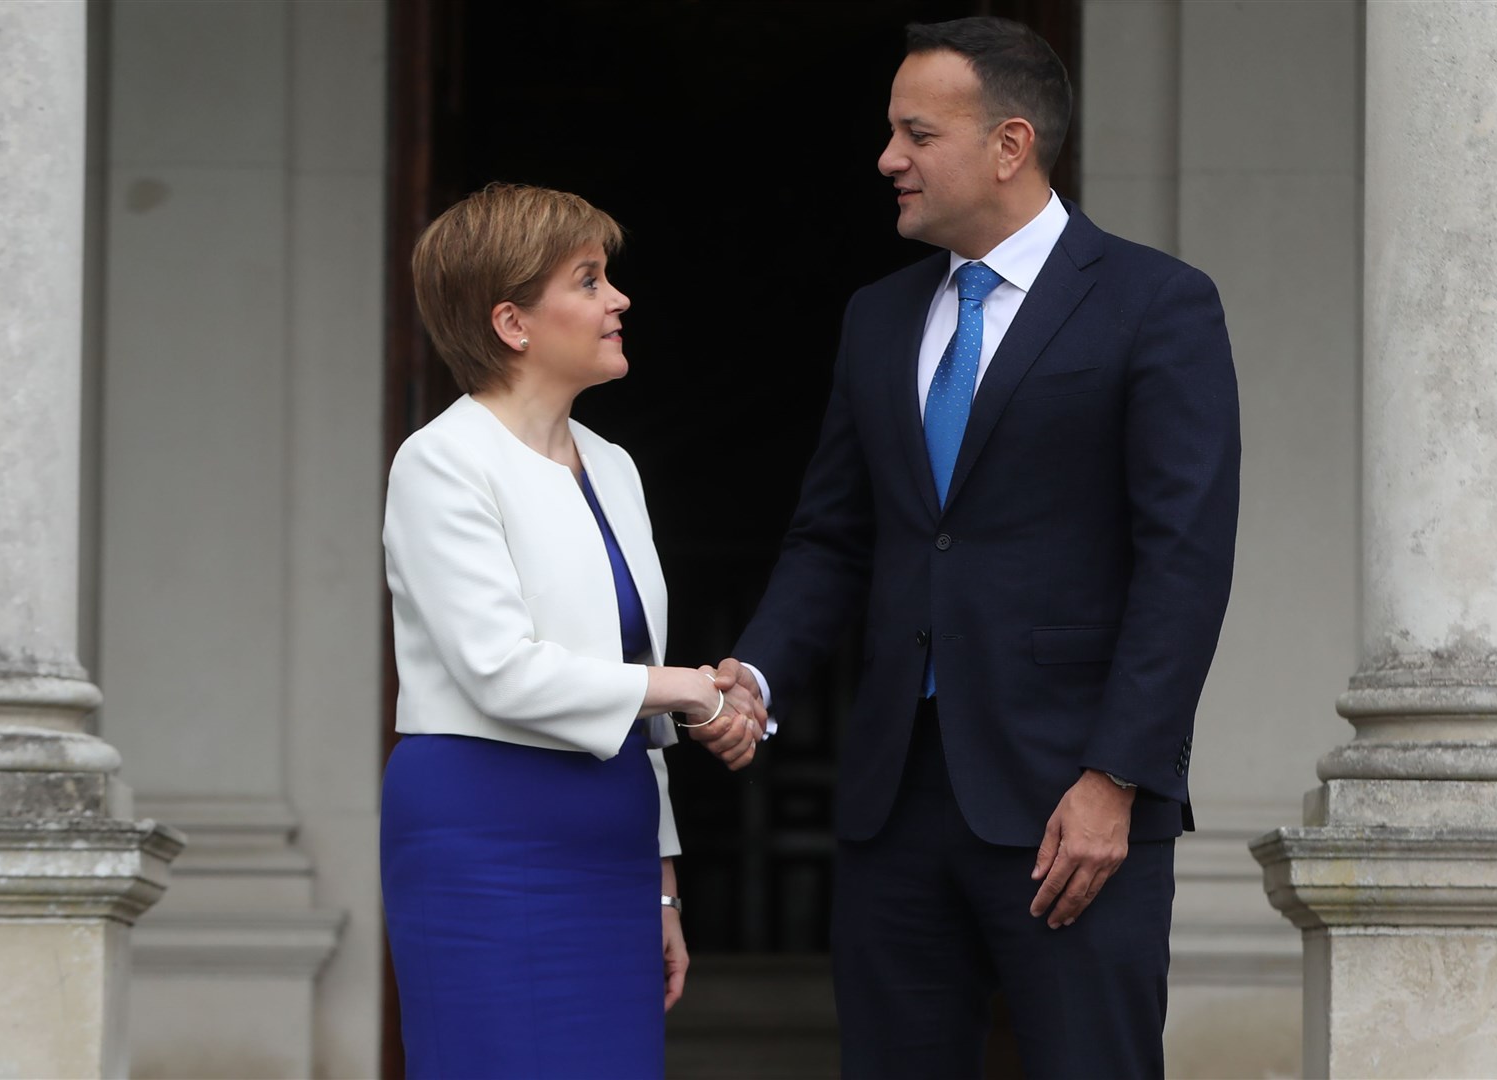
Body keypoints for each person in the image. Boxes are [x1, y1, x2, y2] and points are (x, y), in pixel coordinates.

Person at [692, 17, 1240, 1079]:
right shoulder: (876, 316)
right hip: (892, 798)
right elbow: (832, 535)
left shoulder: (1156, 304)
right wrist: (757, 672)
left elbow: (1184, 557)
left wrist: (1117, 775)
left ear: (1009, 143)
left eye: (914, 132)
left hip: (1073, 803)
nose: (887, 159)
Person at [380, 183, 754, 1080]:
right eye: (588, 281)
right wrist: (694, 689)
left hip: (610, 833)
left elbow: (628, 681)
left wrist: (660, 879)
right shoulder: (440, 461)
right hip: (482, 825)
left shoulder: (616, 467)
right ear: (512, 323)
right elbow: (499, 672)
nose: (617, 299)